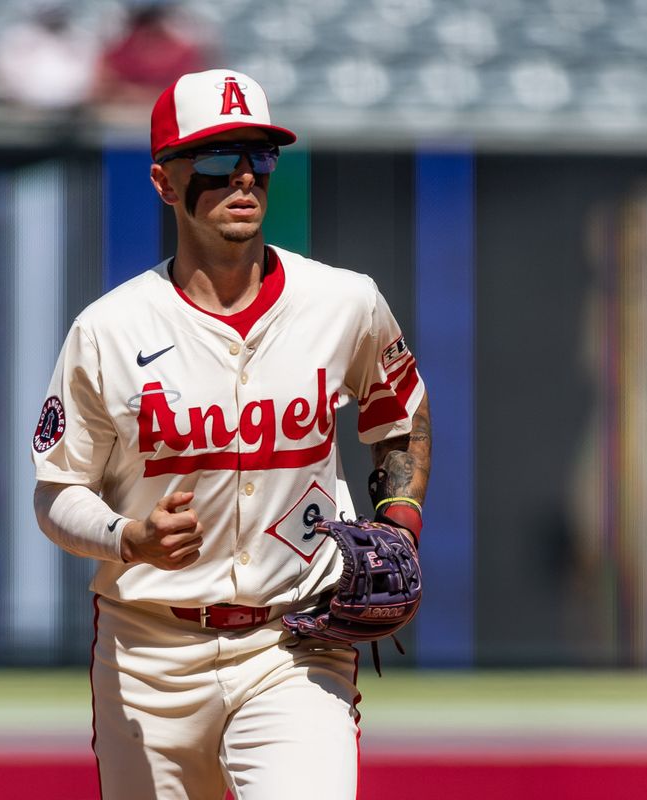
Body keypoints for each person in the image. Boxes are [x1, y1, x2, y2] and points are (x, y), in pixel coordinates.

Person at [32, 68, 431, 800]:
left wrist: (400, 523)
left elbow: (397, 413)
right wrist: (128, 537)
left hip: (294, 643)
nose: (244, 176)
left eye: (260, 156)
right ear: (164, 182)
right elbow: (57, 492)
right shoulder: (109, 330)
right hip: (149, 651)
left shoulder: (342, 302)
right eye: (217, 160)